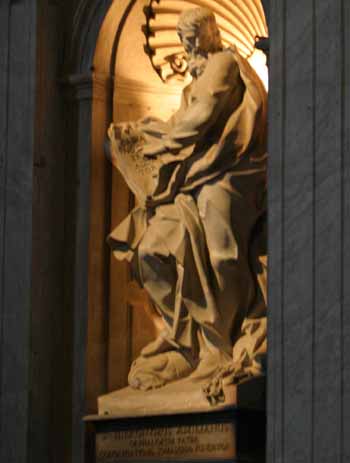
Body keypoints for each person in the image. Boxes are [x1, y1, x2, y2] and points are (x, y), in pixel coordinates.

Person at [107, 7, 268, 392]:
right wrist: (147, 136)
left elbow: (201, 119)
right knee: (148, 252)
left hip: (227, 173)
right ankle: (188, 344)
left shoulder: (225, 64)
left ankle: (222, 344)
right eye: (184, 37)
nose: (190, 43)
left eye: (195, 35)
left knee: (221, 252)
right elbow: (187, 120)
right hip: (189, 181)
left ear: (211, 34)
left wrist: (154, 139)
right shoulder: (189, 84)